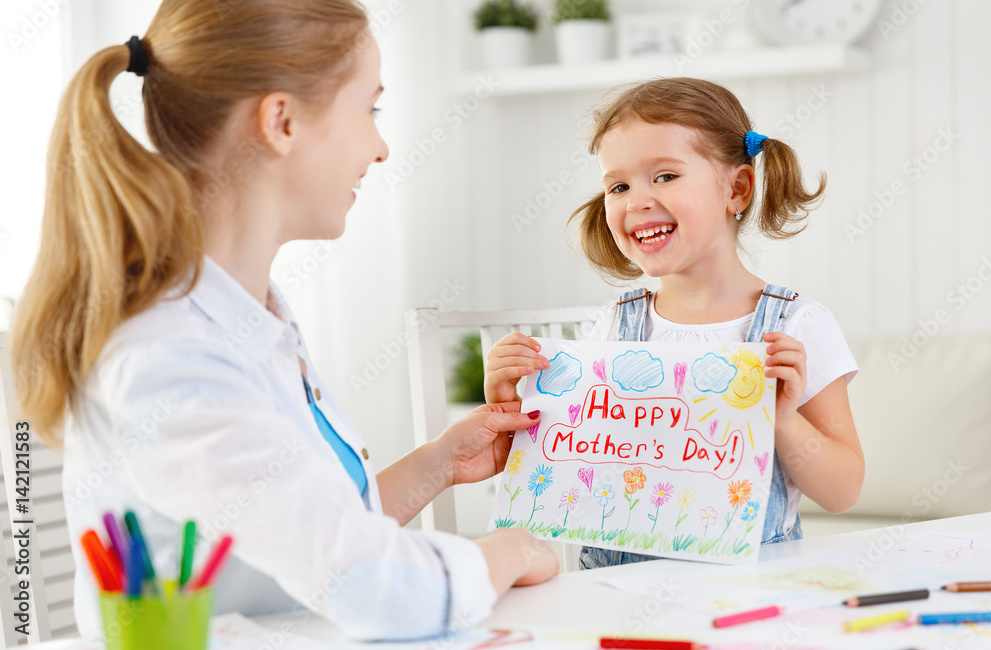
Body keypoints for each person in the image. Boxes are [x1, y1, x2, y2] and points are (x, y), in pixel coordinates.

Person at [10, 0, 557, 641]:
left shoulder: (246, 316)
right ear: (282, 121)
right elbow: (389, 592)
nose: (381, 148)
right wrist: (513, 549)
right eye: (369, 109)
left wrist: (438, 463)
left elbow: (302, 541)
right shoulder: (169, 354)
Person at [485, 78, 863, 569]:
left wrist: (783, 419)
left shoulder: (795, 326)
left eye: (664, 176)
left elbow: (843, 491)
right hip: (616, 599)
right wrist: (514, 407)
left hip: (745, 602)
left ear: (737, 188)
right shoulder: (612, 328)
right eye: (618, 186)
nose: (636, 200)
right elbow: (568, 465)